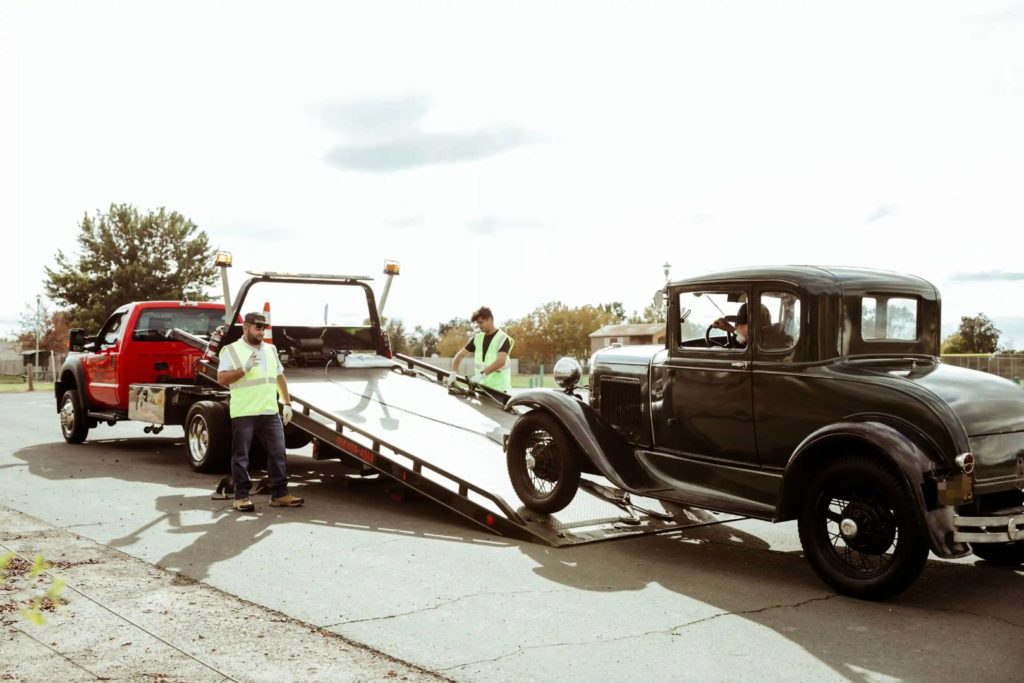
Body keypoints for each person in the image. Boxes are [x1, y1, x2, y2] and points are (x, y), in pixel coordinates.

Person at [217, 311, 304, 511]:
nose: (261, 331)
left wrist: (287, 403)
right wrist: (244, 369)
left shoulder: (270, 350)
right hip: (244, 411)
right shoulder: (231, 350)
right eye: (257, 327)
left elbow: (279, 377)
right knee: (241, 456)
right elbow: (222, 379)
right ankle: (241, 497)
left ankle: (280, 494)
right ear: (245, 327)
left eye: (264, 327)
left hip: (269, 411)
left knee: (278, 453)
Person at [447, 306, 515, 392]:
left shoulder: (503, 338)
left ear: (489, 319)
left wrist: (481, 375)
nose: (479, 326)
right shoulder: (478, 339)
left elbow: (500, 362)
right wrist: (453, 373)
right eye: (477, 323)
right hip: (481, 388)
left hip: (499, 391)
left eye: (481, 322)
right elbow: (460, 355)